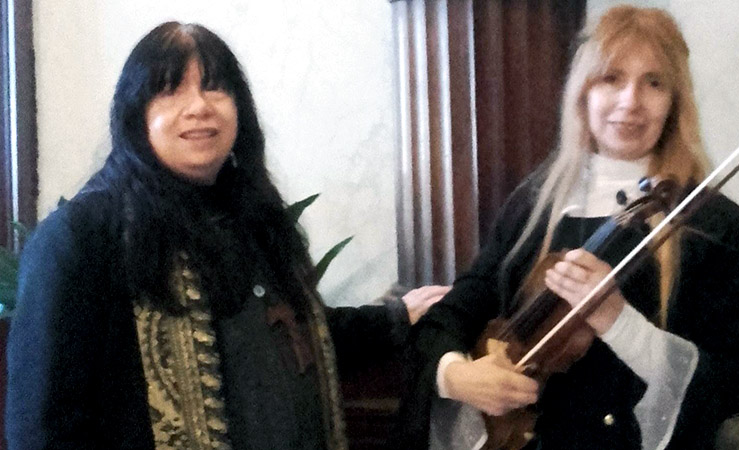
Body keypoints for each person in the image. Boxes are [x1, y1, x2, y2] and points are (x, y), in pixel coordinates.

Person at [5, 22, 449, 450]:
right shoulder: (79, 238)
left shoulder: (255, 218)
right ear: (135, 115)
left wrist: (396, 318)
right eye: (171, 90)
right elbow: (42, 428)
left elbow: (292, 336)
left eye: (215, 87)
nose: (199, 106)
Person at [401, 5, 739, 450]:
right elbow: (453, 313)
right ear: (584, 93)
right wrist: (455, 375)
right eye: (611, 78)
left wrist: (620, 323)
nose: (630, 101)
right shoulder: (534, 205)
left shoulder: (712, 222)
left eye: (654, 82)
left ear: (674, 101)